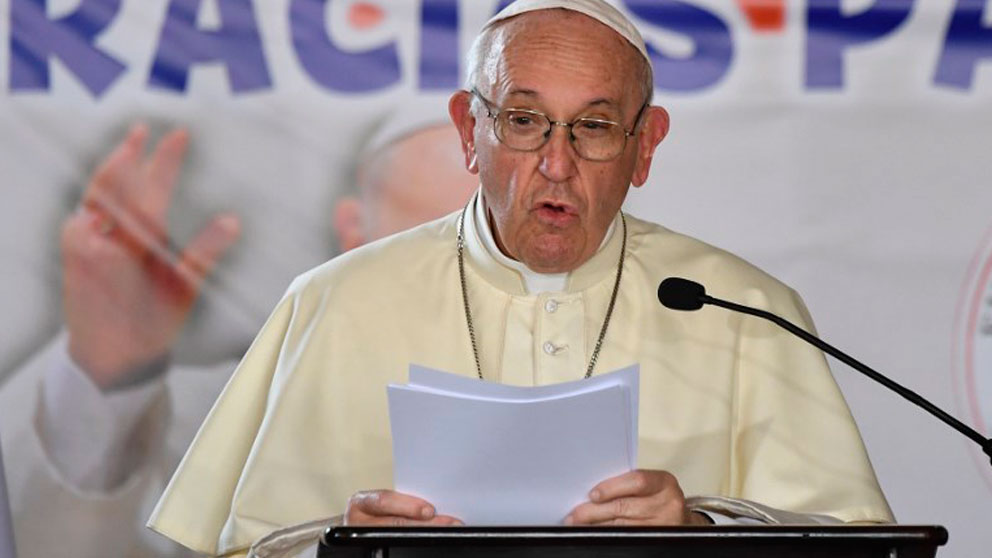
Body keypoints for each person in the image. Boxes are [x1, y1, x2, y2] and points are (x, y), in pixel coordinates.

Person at [148, 1, 894, 557]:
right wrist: (342, 546)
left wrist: (698, 531)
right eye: (524, 121)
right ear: (468, 132)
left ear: (646, 145)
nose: (557, 163)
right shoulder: (337, 302)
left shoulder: (745, 310)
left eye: (595, 127)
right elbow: (247, 546)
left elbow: (856, 547)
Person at [0, 106, 475, 558]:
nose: (460, 281)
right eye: (425, 244)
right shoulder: (214, 413)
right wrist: (106, 373)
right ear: (353, 231)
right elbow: (47, 539)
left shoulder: (551, 395)